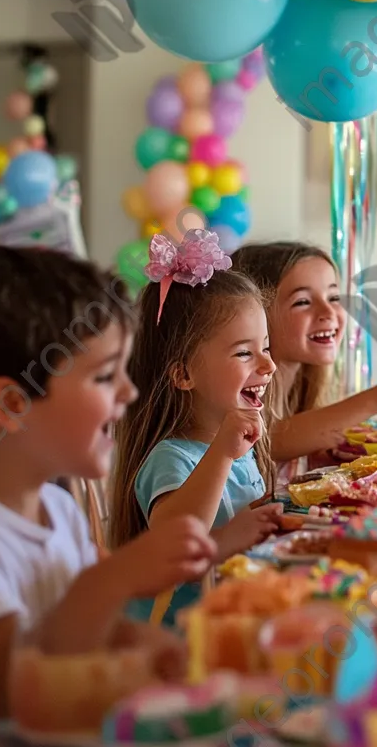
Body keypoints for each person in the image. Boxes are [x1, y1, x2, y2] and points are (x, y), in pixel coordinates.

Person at [0, 245, 216, 720]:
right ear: (11, 405)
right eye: (106, 376)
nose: (129, 392)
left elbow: (90, 633)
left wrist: (150, 646)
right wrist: (113, 578)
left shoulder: (60, 508)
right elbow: (5, 689)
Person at [110, 232, 283, 626]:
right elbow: (177, 540)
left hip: (236, 615)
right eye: (244, 352)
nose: (269, 365)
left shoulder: (238, 443)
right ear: (183, 373)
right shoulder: (170, 457)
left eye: (266, 347)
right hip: (180, 639)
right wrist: (222, 454)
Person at [230, 242, 377, 481]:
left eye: (333, 297)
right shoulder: (239, 400)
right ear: (256, 315)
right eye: (302, 302)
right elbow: (271, 441)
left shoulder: (302, 397)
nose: (328, 312)